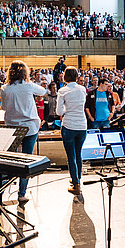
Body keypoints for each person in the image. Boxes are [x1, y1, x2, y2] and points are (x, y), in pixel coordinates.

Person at [1, 61, 47, 203]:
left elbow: (3, 107)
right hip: (30, 127)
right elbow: (44, 91)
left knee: (8, 160)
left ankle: (0, 192)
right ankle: (21, 194)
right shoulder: (29, 86)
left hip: (12, 127)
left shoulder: (4, 89)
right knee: (26, 160)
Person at [56, 67, 87, 195]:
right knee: (78, 154)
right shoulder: (83, 89)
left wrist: (65, 109)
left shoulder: (62, 91)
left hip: (69, 125)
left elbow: (59, 112)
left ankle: (76, 185)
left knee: (71, 156)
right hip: (82, 126)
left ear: (65, 76)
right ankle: (77, 179)